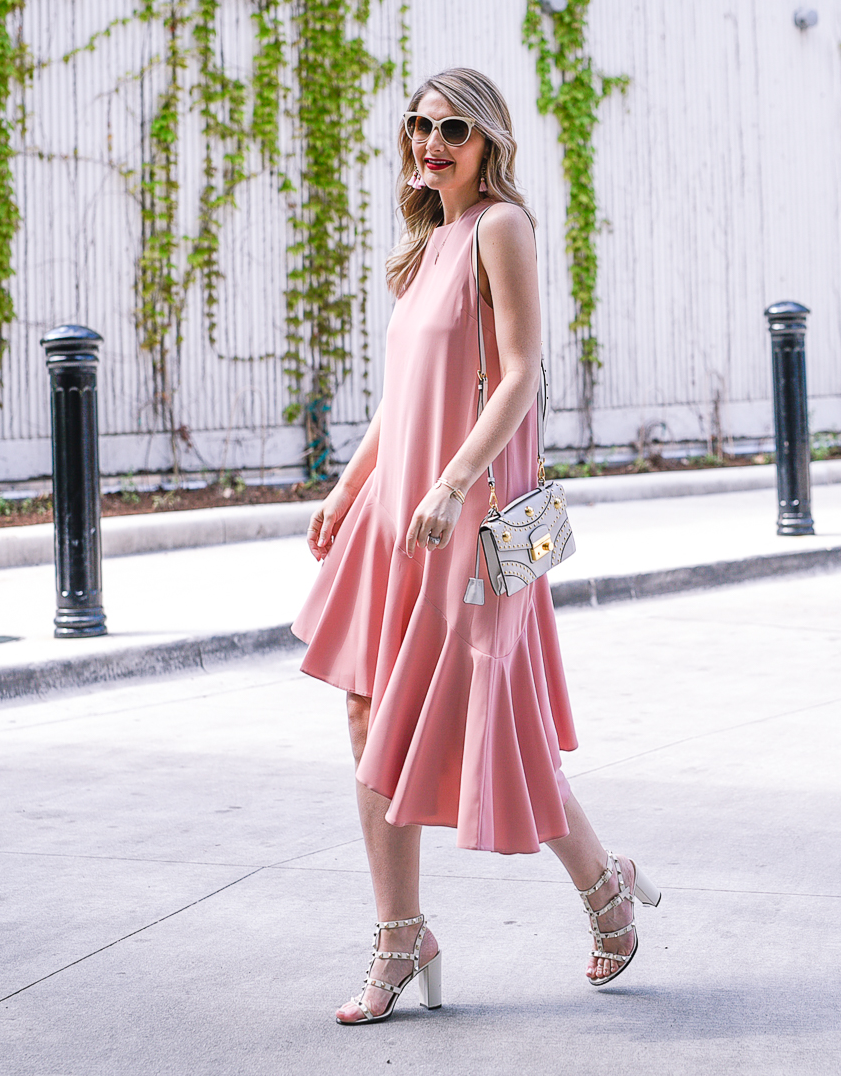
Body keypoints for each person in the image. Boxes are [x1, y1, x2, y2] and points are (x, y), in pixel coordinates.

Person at [291, 66, 659, 1026]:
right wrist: (349, 486)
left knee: (499, 722)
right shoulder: (425, 247)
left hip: (473, 519)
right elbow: (399, 397)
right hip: (399, 515)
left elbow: (523, 373)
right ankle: (400, 932)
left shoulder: (500, 226)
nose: (432, 143)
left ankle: (603, 885)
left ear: (489, 140)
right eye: (419, 125)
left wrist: (452, 483)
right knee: (371, 717)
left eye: (453, 128)